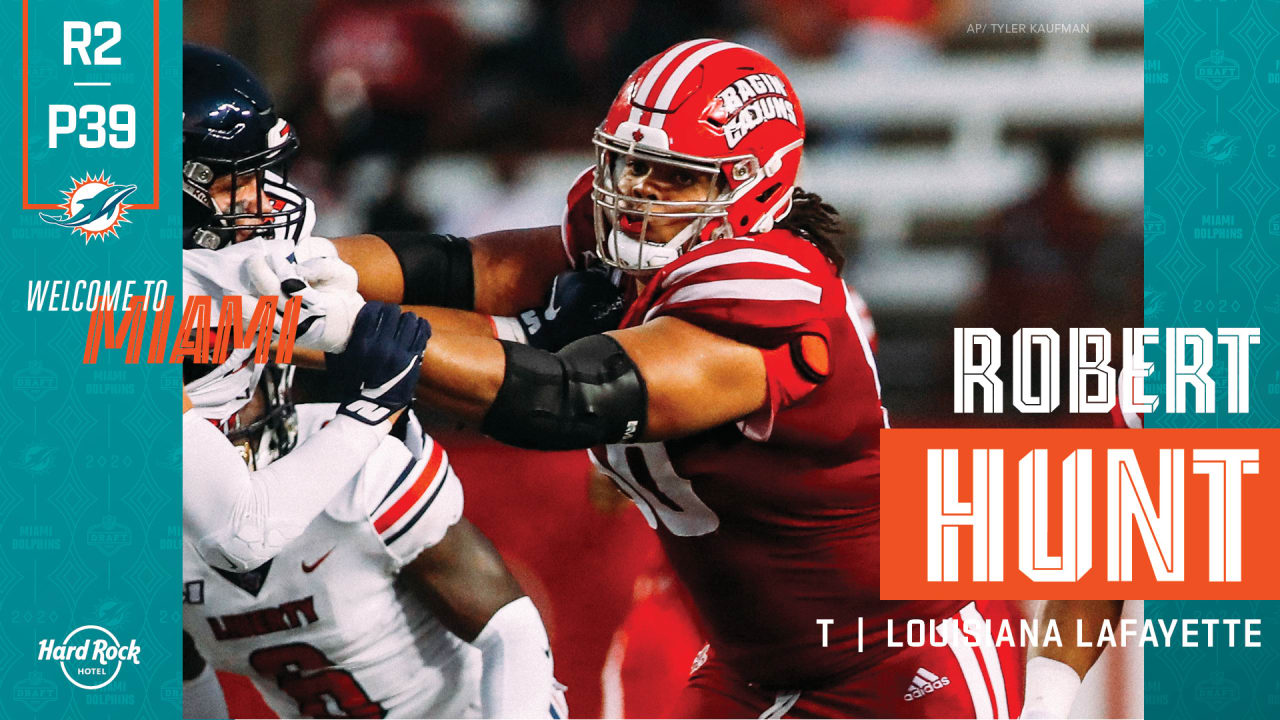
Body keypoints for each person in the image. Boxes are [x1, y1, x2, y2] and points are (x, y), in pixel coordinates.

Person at [318, 39, 1023, 718]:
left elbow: (565, 397)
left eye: (677, 175)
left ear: (749, 185)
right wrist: (280, 269)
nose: (640, 194)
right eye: (631, 165)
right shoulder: (644, 239)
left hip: (902, 662)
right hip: (751, 670)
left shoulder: (769, 291)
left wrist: (328, 325)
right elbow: (471, 270)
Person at [183, 308, 560, 719]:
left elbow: (511, 629)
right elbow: (182, 684)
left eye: (225, 390)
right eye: (193, 394)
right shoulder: (139, 536)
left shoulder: (361, 470)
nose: (214, 420)